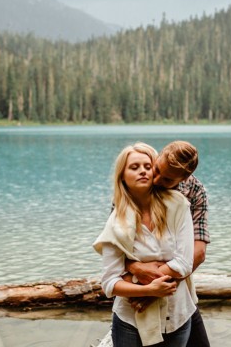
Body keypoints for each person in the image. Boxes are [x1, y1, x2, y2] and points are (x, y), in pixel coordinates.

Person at [94, 142, 198, 346]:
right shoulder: (116, 222)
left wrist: (139, 276)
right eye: (134, 167)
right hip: (131, 319)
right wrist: (149, 290)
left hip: (177, 314)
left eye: (147, 166)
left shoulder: (178, 205)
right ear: (122, 176)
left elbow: (185, 263)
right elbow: (109, 283)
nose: (143, 171)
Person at [126, 141, 210, 347]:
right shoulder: (134, 184)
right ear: (159, 156)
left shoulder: (194, 192)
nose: (156, 179)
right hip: (135, 287)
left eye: (167, 179)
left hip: (178, 289)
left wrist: (155, 291)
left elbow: (197, 254)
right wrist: (133, 267)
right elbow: (115, 244)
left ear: (184, 179)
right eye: (157, 169)